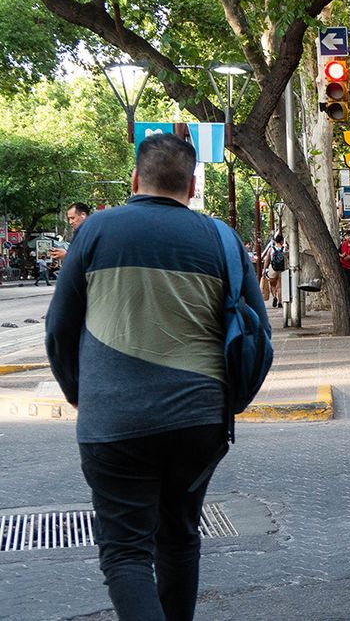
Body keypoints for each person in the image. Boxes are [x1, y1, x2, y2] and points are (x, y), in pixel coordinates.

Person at [45, 133, 268, 621]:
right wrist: (227, 404)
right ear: (191, 184)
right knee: (180, 537)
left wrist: (80, 395)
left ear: (134, 179)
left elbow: (58, 330)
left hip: (113, 420)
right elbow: (259, 336)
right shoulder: (222, 237)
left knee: (125, 550)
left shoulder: (96, 230)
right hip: (199, 421)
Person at [261, 234, 286, 308]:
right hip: (282, 269)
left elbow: (267, 260)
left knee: (272, 285)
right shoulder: (284, 249)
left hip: (273, 268)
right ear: (282, 241)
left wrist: (265, 269)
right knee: (280, 286)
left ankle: (274, 297)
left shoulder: (271, 249)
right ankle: (280, 301)